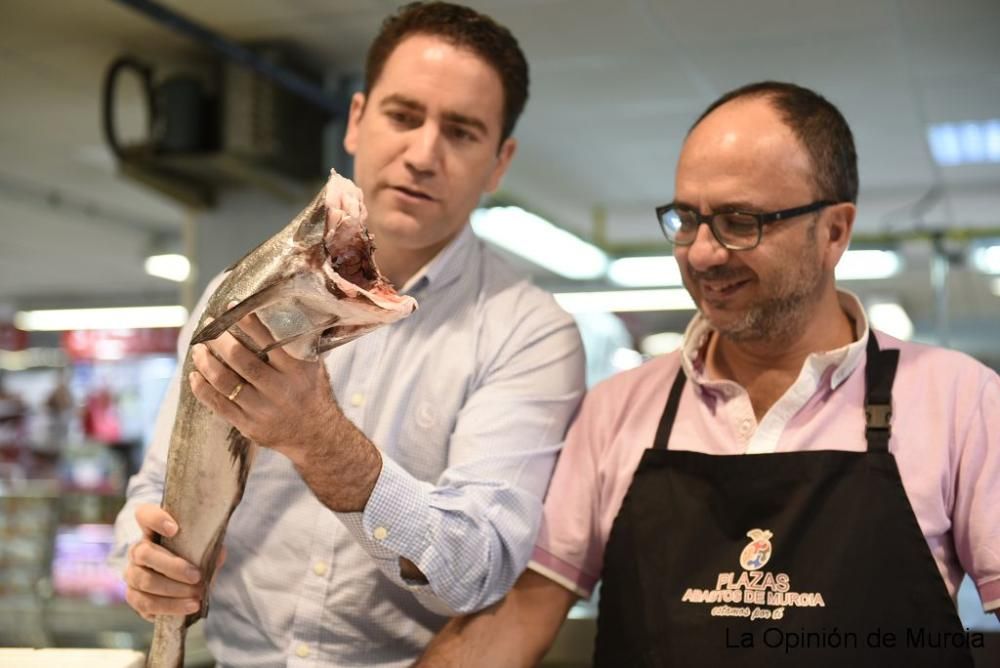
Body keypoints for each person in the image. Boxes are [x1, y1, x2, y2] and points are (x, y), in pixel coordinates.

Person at [415, 81, 1000, 667]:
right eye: (687, 219)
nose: (701, 253)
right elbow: (519, 617)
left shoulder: (958, 400)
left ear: (833, 232)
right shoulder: (618, 410)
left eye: (739, 221)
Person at [110, 3, 586, 666]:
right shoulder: (239, 293)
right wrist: (144, 552)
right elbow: (157, 483)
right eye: (403, 115)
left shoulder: (530, 333)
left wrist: (321, 442)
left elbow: (480, 568)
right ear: (358, 120)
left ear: (499, 162)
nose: (423, 154)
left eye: (462, 131)